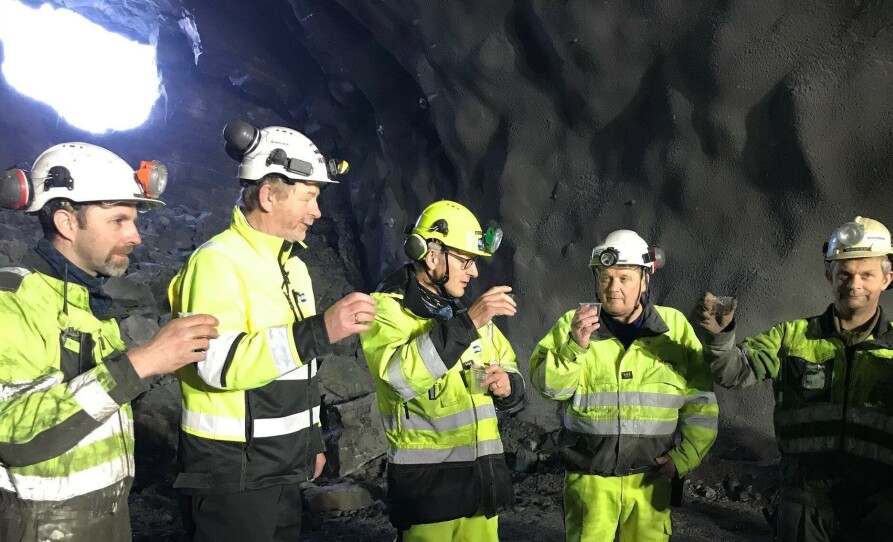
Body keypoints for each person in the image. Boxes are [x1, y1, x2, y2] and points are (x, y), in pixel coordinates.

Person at [168, 121, 376, 542]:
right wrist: (322, 329)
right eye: (308, 197)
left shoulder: (294, 268)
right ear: (268, 195)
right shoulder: (217, 262)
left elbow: (299, 369)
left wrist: (311, 440)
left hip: (280, 466)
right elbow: (218, 365)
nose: (317, 211)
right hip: (232, 471)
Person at [0, 143, 219, 541]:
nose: (135, 236)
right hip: (40, 526)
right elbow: (13, 435)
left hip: (108, 516)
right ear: (67, 223)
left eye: (134, 221)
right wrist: (141, 363)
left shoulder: (88, 298)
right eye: (119, 220)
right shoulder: (12, 300)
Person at [697, 216, 893, 541]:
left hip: (877, 514)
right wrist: (720, 337)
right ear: (828, 275)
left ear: (888, 277)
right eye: (845, 273)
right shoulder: (793, 338)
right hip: (803, 511)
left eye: (867, 274)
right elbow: (732, 372)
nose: (854, 284)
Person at [530, 229, 718, 542]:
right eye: (606, 277)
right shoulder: (573, 325)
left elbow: (701, 402)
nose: (613, 288)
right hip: (590, 484)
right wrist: (576, 346)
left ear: (645, 280)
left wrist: (684, 458)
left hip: (650, 483)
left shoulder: (674, 331)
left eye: (625, 277)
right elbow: (549, 387)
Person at [360, 200, 524, 541]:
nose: (474, 272)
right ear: (431, 255)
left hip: (481, 491)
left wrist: (507, 385)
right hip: (428, 497)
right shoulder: (386, 310)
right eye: (465, 261)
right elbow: (399, 378)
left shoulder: (464, 314)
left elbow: (506, 366)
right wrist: (468, 324)